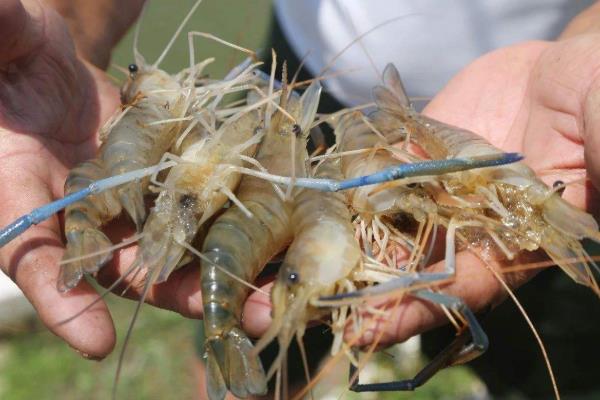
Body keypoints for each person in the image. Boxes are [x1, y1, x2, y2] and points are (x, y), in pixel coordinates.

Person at [0, 0, 599, 395]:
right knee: (253, 332)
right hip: (301, 78)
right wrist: (70, 35)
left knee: (552, 366)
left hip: (524, 119)